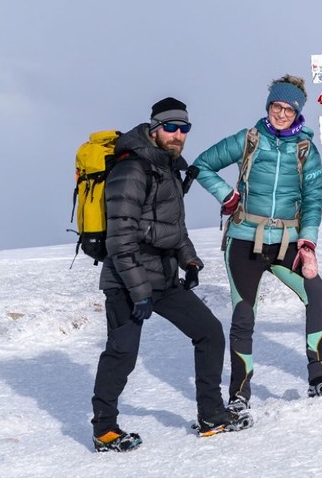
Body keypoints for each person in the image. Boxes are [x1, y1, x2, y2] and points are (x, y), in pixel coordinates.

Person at [90, 97, 246, 452]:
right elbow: (120, 239)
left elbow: (174, 227)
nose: (178, 135)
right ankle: (104, 429)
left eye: (184, 129)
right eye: (171, 128)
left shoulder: (169, 168)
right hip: (127, 283)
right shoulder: (131, 170)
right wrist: (139, 290)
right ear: (155, 128)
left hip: (162, 278)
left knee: (209, 333)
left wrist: (189, 261)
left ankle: (211, 416)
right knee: (122, 353)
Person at [192, 75, 322, 413]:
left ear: (298, 113)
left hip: (287, 242)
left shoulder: (305, 150)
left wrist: (308, 241)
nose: (282, 114)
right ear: (269, 106)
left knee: (316, 293)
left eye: (289, 109)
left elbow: (313, 198)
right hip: (244, 239)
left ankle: (318, 378)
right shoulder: (249, 140)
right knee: (244, 314)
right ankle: (239, 394)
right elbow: (201, 165)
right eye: (277, 106)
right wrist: (226, 195)